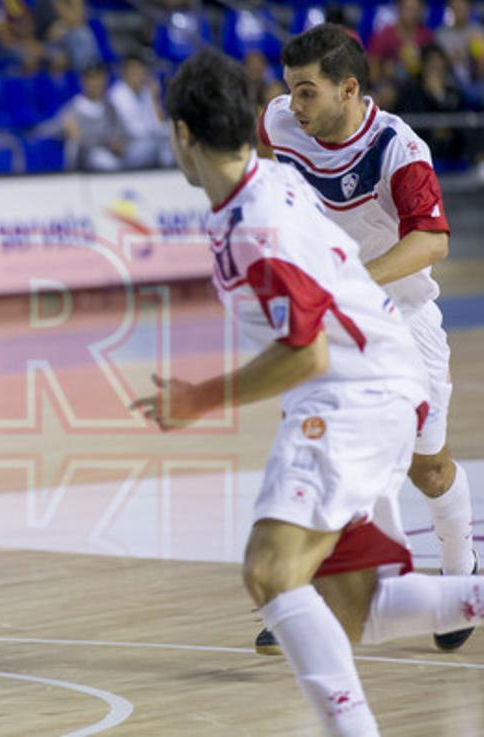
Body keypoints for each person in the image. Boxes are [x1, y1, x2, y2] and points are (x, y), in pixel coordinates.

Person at [136, 48, 484, 737]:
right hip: (376, 379)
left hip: (351, 391)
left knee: (270, 571)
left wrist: (198, 398)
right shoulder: (267, 178)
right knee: (353, 603)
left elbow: (307, 347)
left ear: (182, 134)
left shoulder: (253, 225)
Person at [257, 23, 476, 654]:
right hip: (334, 326)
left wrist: (350, 282)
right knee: (322, 451)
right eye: (289, 91)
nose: (293, 106)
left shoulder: (397, 148)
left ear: (348, 89)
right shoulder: (280, 123)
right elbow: (270, 173)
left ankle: (461, 578)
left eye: (307, 92)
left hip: (402, 319)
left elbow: (432, 240)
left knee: (428, 469)